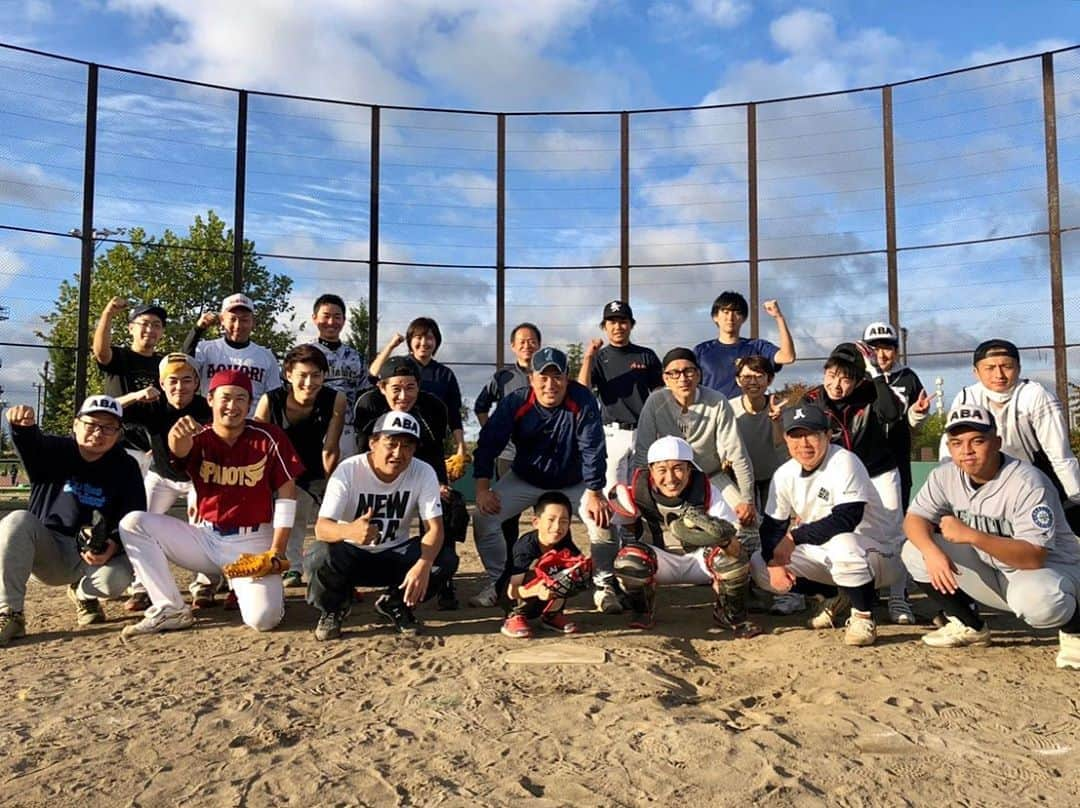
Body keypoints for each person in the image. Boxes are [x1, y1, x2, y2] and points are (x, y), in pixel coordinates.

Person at [117, 369, 304, 637]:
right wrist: (175, 439)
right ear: (211, 399)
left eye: (241, 398)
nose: (233, 405)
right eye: (225, 397)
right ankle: (170, 608)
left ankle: (258, 593)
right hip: (206, 537)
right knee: (134, 523)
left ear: (250, 404)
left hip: (251, 543)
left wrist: (277, 550)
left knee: (263, 619)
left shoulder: (268, 436)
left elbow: (288, 493)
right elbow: (180, 458)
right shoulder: (198, 436)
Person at [903, 404, 1080, 670]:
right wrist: (932, 551)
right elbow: (914, 519)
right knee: (914, 551)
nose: (967, 450)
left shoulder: (1027, 481)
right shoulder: (945, 475)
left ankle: (1075, 631)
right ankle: (971, 626)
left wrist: (972, 536)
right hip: (995, 569)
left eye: (978, 440)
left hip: (1051, 572)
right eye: (957, 442)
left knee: (1038, 601)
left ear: (996, 442)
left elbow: (1033, 557)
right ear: (949, 448)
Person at [751, 404, 905, 647]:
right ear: (785, 438)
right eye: (796, 435)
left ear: (827, 434)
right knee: (759, 565)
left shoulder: (844, 460)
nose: (804, 444)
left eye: (811, 434)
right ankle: (835, 595)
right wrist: (773, 561)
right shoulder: (785, 473)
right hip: (832, 553)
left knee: (843, 542)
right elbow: (772, 526)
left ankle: (863, 616)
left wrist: (793, 538)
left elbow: (847, 518)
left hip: (880, 554)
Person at [471, 347, 611, 610]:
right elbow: (488, 444)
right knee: (483, 516)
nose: (550, 384)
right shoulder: (515, 402)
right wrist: (481, 489)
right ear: (531, 379)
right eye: (543, 377)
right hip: (527, 478)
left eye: (557, 376)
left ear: (567, 378)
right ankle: (499, 582)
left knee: (603, 521)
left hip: (574, 481)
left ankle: (605, 585)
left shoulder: (581, 399)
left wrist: (595, 492)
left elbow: (593, 447)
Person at [1, 396, 144, 645]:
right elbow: (29, 442)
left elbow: (134, 514)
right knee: (17, 520)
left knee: (119, 577)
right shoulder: (53, 450)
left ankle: (83, 594)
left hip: (93, 556)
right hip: (49, 549)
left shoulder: (126, 466)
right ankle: (10, 612)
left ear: (118, 433)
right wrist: (21, 426)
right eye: (91, 424)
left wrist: (113, 543)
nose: (99, 433)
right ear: (75, 424)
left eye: (109, 427)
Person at [305, 411, 454, 639]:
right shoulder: (348, 470)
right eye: (391, 443)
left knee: (444, 558)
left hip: (395, 554)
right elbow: (321, 527)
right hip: (351, 555)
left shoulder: (423, 472)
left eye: (407, 446)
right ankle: (333, 608)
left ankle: (395, 604)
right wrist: (349, 531)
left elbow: (435, 528)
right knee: (319, 553)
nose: (398, 452)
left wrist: (424, 564)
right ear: (373, 443)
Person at [803, 342, 914, 625]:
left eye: (846, 378)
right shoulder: (812, 398)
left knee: (892, 534)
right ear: (824, 371)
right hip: (840, 477)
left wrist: (875, 372)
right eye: (832, 375)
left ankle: (899, 597)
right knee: (841, 537)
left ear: (859, 378)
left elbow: (892, 413)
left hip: (878, 471)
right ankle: (848, 597)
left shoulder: (871, 392)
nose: (837, 384)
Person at [609, 436, 759, 637]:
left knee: (733, 558)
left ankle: (731, 613)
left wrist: (720, 538)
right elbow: (626, 539)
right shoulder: (636, 493)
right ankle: (642, 607)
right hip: (660, 561)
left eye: (678, 468)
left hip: (700, 561)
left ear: (690, 469)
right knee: (628, 560)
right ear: (651, 471)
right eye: (662, 470)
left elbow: (735, 546)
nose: (670, 478)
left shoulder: (707, 491)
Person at [354, 356, 462, 609]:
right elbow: (363, 452)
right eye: (396, 388)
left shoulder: (434, 407)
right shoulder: (368, 404)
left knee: (448, 505)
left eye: (410, 387)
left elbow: (434, 451)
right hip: (378, 473)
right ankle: (348, 578)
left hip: (418, 470)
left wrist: (438, 485)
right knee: (356, 508)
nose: (404, 395)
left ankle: (441, 575)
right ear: (381, 387)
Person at [943, 339, 1080, 533]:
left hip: (1036, 480)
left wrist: (1075, 498)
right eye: (990, 368)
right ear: (976, 372)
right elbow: (949, 453)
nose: (999, 374)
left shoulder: (1036, 395)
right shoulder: (966, 398)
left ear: (1018, 368)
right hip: (989, 482)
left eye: (1006, 366)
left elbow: (1060, 455)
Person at [116, 352, 212, 612]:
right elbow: (106, 407)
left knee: (203, 527)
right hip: (161, 475)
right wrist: (136, 395)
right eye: (173, 381)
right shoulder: (152, 406)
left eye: (186, 380)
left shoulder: (207, 408)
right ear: (161, 384)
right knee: (138, 520)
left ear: (196, 383)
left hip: (197, 479)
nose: (179, 386)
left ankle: (204, 583)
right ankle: (140, 585)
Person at [254, 344, 346, 587]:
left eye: (316, 375)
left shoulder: (335, 399)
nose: (309, 382)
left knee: (329, 516)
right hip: (276, 467)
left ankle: (335, 572)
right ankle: (283, 568)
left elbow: (331, 446)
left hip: (312, 466)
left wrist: (329, 484)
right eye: (302, 375)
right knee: (279, 517)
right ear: (288, 375)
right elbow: (255, 445)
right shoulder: (270, 400)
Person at [633, 348, 755, 525]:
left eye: (688, 371)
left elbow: (737, 453)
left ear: (698, 375)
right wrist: (642, 495)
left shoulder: (717, 401)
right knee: (644, 522)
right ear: (665, 378)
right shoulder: (655, 402)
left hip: (711, 475)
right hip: (670, 479)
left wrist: (747, 499)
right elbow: (643, 453)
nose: (682, 379)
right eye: (674, 373)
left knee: (745, 522)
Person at [578, 300, 663, 495]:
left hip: (644, 431)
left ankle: (640, 526)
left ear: (631, 324)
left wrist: (659, 427)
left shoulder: (646, 355)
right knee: (612, 492)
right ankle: (614, 527)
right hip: (612, 433)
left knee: (642, 488)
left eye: (623, 321)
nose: (618, 327)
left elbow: (659, 394)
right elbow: (583, 391)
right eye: (612, 322)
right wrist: (589, 357)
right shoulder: (600, 357)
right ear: (604, 327)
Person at [475, 322, 542, 558]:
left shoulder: (547, 373)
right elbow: (480, 405)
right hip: (508, 457)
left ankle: (544, 565)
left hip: (542, 459)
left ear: (539, 345)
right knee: (507, 518)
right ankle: (510, 567)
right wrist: (492, 434)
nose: (527, 345)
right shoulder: (503, 377)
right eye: (522, 341)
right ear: (513, 346)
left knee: (545, 515)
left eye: (532, 340)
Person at [369, 317, 467, 472]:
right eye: (418, 337)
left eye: (429, 338)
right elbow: (373, 375)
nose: (424, 342)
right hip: (399, 440)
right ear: (410, 340)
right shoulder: (400, 366)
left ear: (436, 342)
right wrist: (391, 346)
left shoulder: (444, 374)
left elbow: (454, 413)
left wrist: (461, 446)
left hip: (431, 443)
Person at [92, 298, 168, 474]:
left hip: (153, 451)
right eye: (145, 323)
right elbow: (101, 352)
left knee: (146, 501)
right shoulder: (119, 357)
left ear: (162, 331)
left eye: (157, 325)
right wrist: (108, 313)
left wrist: (160, 445)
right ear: (131, 328)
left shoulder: (164, 363)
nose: (150, 329)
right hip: (119, 445)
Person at [862, 322, 931, 508]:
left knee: (898, 513)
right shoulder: (859, 377)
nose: (881, 355)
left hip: (897, 456)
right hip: (864, 459)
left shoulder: (908, 376)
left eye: (887, 348)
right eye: (875, 349)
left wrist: (917, 413)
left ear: (896, 350)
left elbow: (915, 423)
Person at [500, 491, 586, 638]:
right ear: (536, 522)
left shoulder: (564, 540)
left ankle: (552, 615)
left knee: (568, 571)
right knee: (538, 572)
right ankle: (514, 616)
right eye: (551, 520)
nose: (557, 526)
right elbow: (512, 590)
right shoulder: (526, 547)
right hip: (516, 593)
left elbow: (577, 562)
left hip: (546, 594)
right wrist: (536, 590)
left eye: (564, 521)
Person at [183, 293, 282, 416]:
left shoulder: (266, 356)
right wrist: (197, 329)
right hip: (211, 424)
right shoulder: (206, 349)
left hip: (251, 426)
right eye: (233, 319)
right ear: (222, 320)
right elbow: (182, 365)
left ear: (253, 322)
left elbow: (274, 397)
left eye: (245, 320)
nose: (238, 326)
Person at [693, 291, 795, 398]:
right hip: (712, 412)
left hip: (749, 412)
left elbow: (788, 357)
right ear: (715, 317)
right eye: (725, 311)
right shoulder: (701, 351)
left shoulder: (757, 347)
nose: (730, 317)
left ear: (744, 318)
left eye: (736, 312)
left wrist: (779, 317)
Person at [306, 294, 369, 457]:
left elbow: (364, 394)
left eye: (337, 317)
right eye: (326, 316)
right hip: (311, 427)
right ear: (314, 318)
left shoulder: (356, 357)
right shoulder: (305, 354)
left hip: (347, 429)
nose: (331, 322)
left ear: (344, 320)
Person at [729, 355, 788, 511]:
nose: (753, 382)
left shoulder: (779, 407)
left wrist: (776, 421)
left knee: (773, 521)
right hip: (740, 477)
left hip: (772, 475)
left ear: (769, 380)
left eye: (759, 376)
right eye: (747, 377)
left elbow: (780, 444)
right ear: (738, 380)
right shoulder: (729, 408)